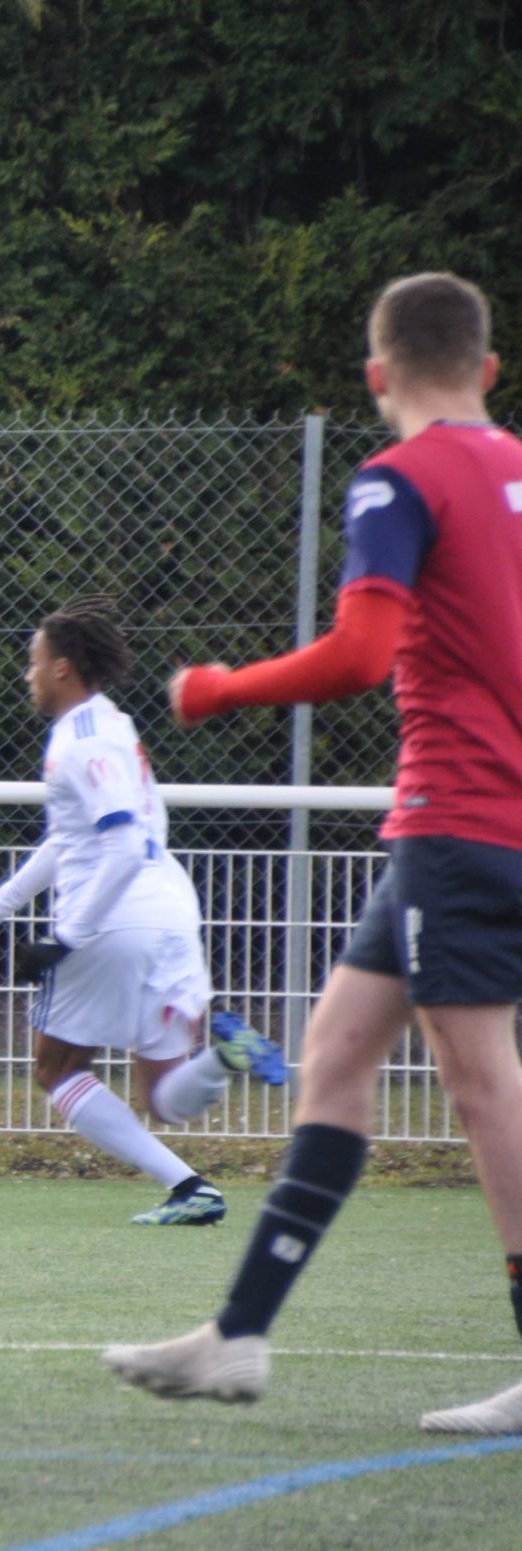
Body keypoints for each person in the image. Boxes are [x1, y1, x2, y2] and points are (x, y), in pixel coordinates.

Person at [104, 271, 522, 1434]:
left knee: (483, 1082)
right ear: (487, 371)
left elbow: (361, 651)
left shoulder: (397, 480)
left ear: (377, 377)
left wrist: (218, 687)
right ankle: (236, 1335)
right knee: (334, 1051)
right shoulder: (513, 467)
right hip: (461, 827)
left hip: (462, 817)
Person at [0, 597, 288, 1226]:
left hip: (113, 920)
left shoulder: (78, 741)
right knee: (164, 1099)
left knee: (56, 1069)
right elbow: (75, 839)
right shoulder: (115, 725)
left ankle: (189, 1182)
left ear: (62, 669)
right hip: (171, 913)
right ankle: (221, 1075)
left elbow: (121, 843)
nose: (27, 675)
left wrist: (67, 938)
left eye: (34, 662)